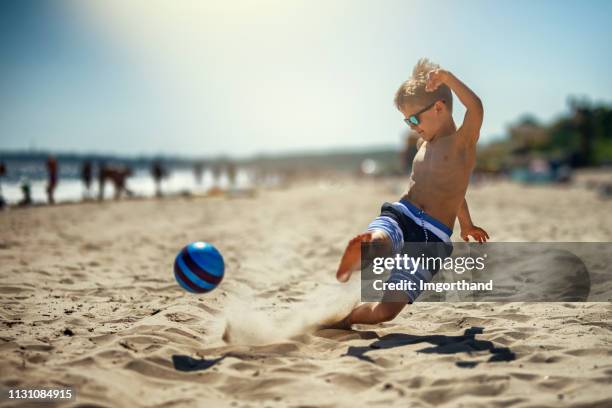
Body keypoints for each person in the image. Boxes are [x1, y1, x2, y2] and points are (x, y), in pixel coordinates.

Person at [334, 59, 489, 326]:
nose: (411, 126)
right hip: (403, 213)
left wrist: (466, 224)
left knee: (386, 311)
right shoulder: (422, 143)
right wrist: (466, 222)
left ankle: (339, 320)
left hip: (431, 237)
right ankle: (368, 245)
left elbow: (475, 107)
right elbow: (449, 187)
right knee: (383, 239)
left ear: (439, 107)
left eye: (415, 118)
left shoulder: (461, 143)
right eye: (406, 121)